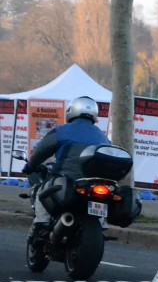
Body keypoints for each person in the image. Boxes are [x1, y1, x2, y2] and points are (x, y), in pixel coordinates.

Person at [22, 96, 111, 230]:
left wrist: (30, 166)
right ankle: (100, 221)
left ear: (71, 111)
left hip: (65, 179)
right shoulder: (103, 137)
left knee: (42, 190)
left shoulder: (62, 131)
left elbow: (42, 151)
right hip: (92, 184)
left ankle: (42, 222)